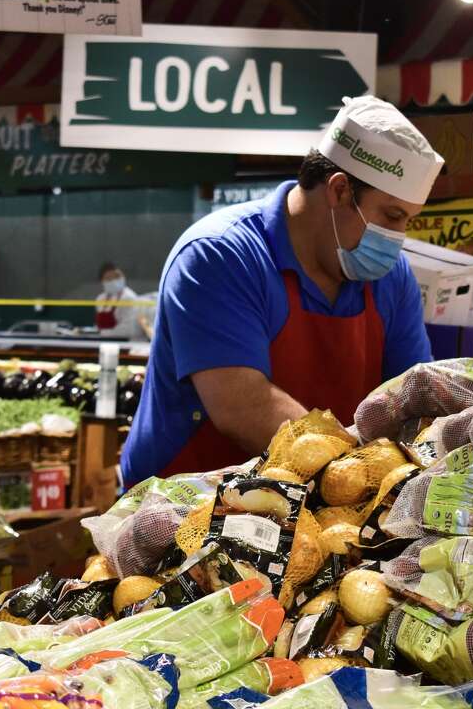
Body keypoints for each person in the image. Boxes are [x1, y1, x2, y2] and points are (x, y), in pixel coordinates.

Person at [122, 96, 443, 486]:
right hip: (183, 502)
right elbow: (243, 407)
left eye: (408, 221)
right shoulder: (221, 254)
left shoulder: (391, 277)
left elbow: (412, 399)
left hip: (317, 499)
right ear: (340, 190)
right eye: (392, 216)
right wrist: (355, 475)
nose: (398, 237)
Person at [95, 263, 143, 340]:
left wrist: (103, 333)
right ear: (102, 281)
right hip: (103, 342)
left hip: (127, 343)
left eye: (117, 276)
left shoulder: (128, 297)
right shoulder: (100, 298)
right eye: (108, 278)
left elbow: (129, 330)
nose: (114, 280)